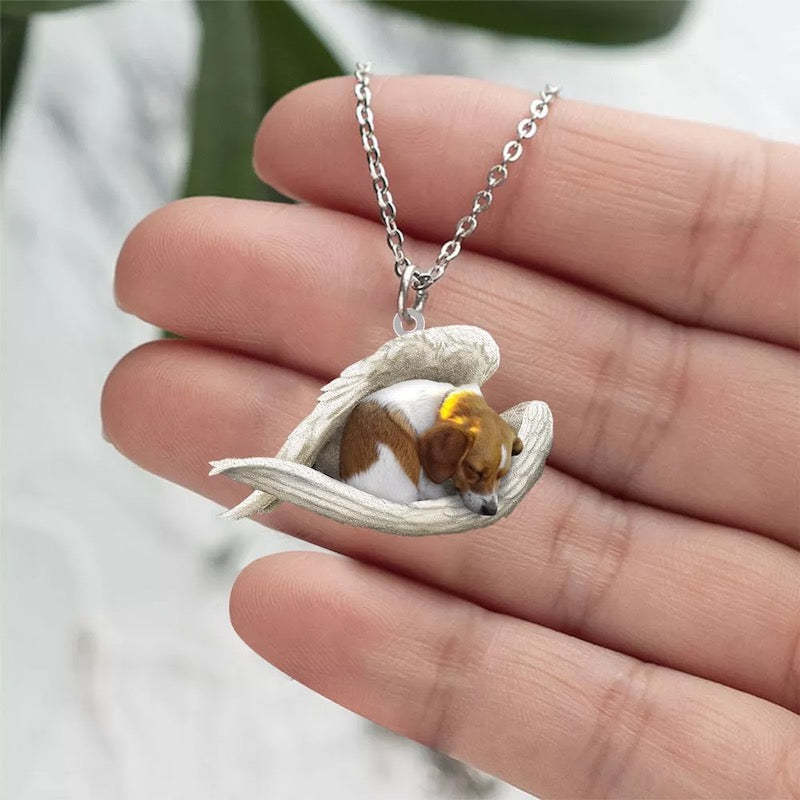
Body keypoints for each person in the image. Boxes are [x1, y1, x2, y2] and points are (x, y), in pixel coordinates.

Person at [102, 75, 800, 798]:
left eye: (487, 482)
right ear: (446, 456)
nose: (488, 498)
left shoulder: (480, 431)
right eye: (477, 481)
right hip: (379, 467)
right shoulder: (432, 434)